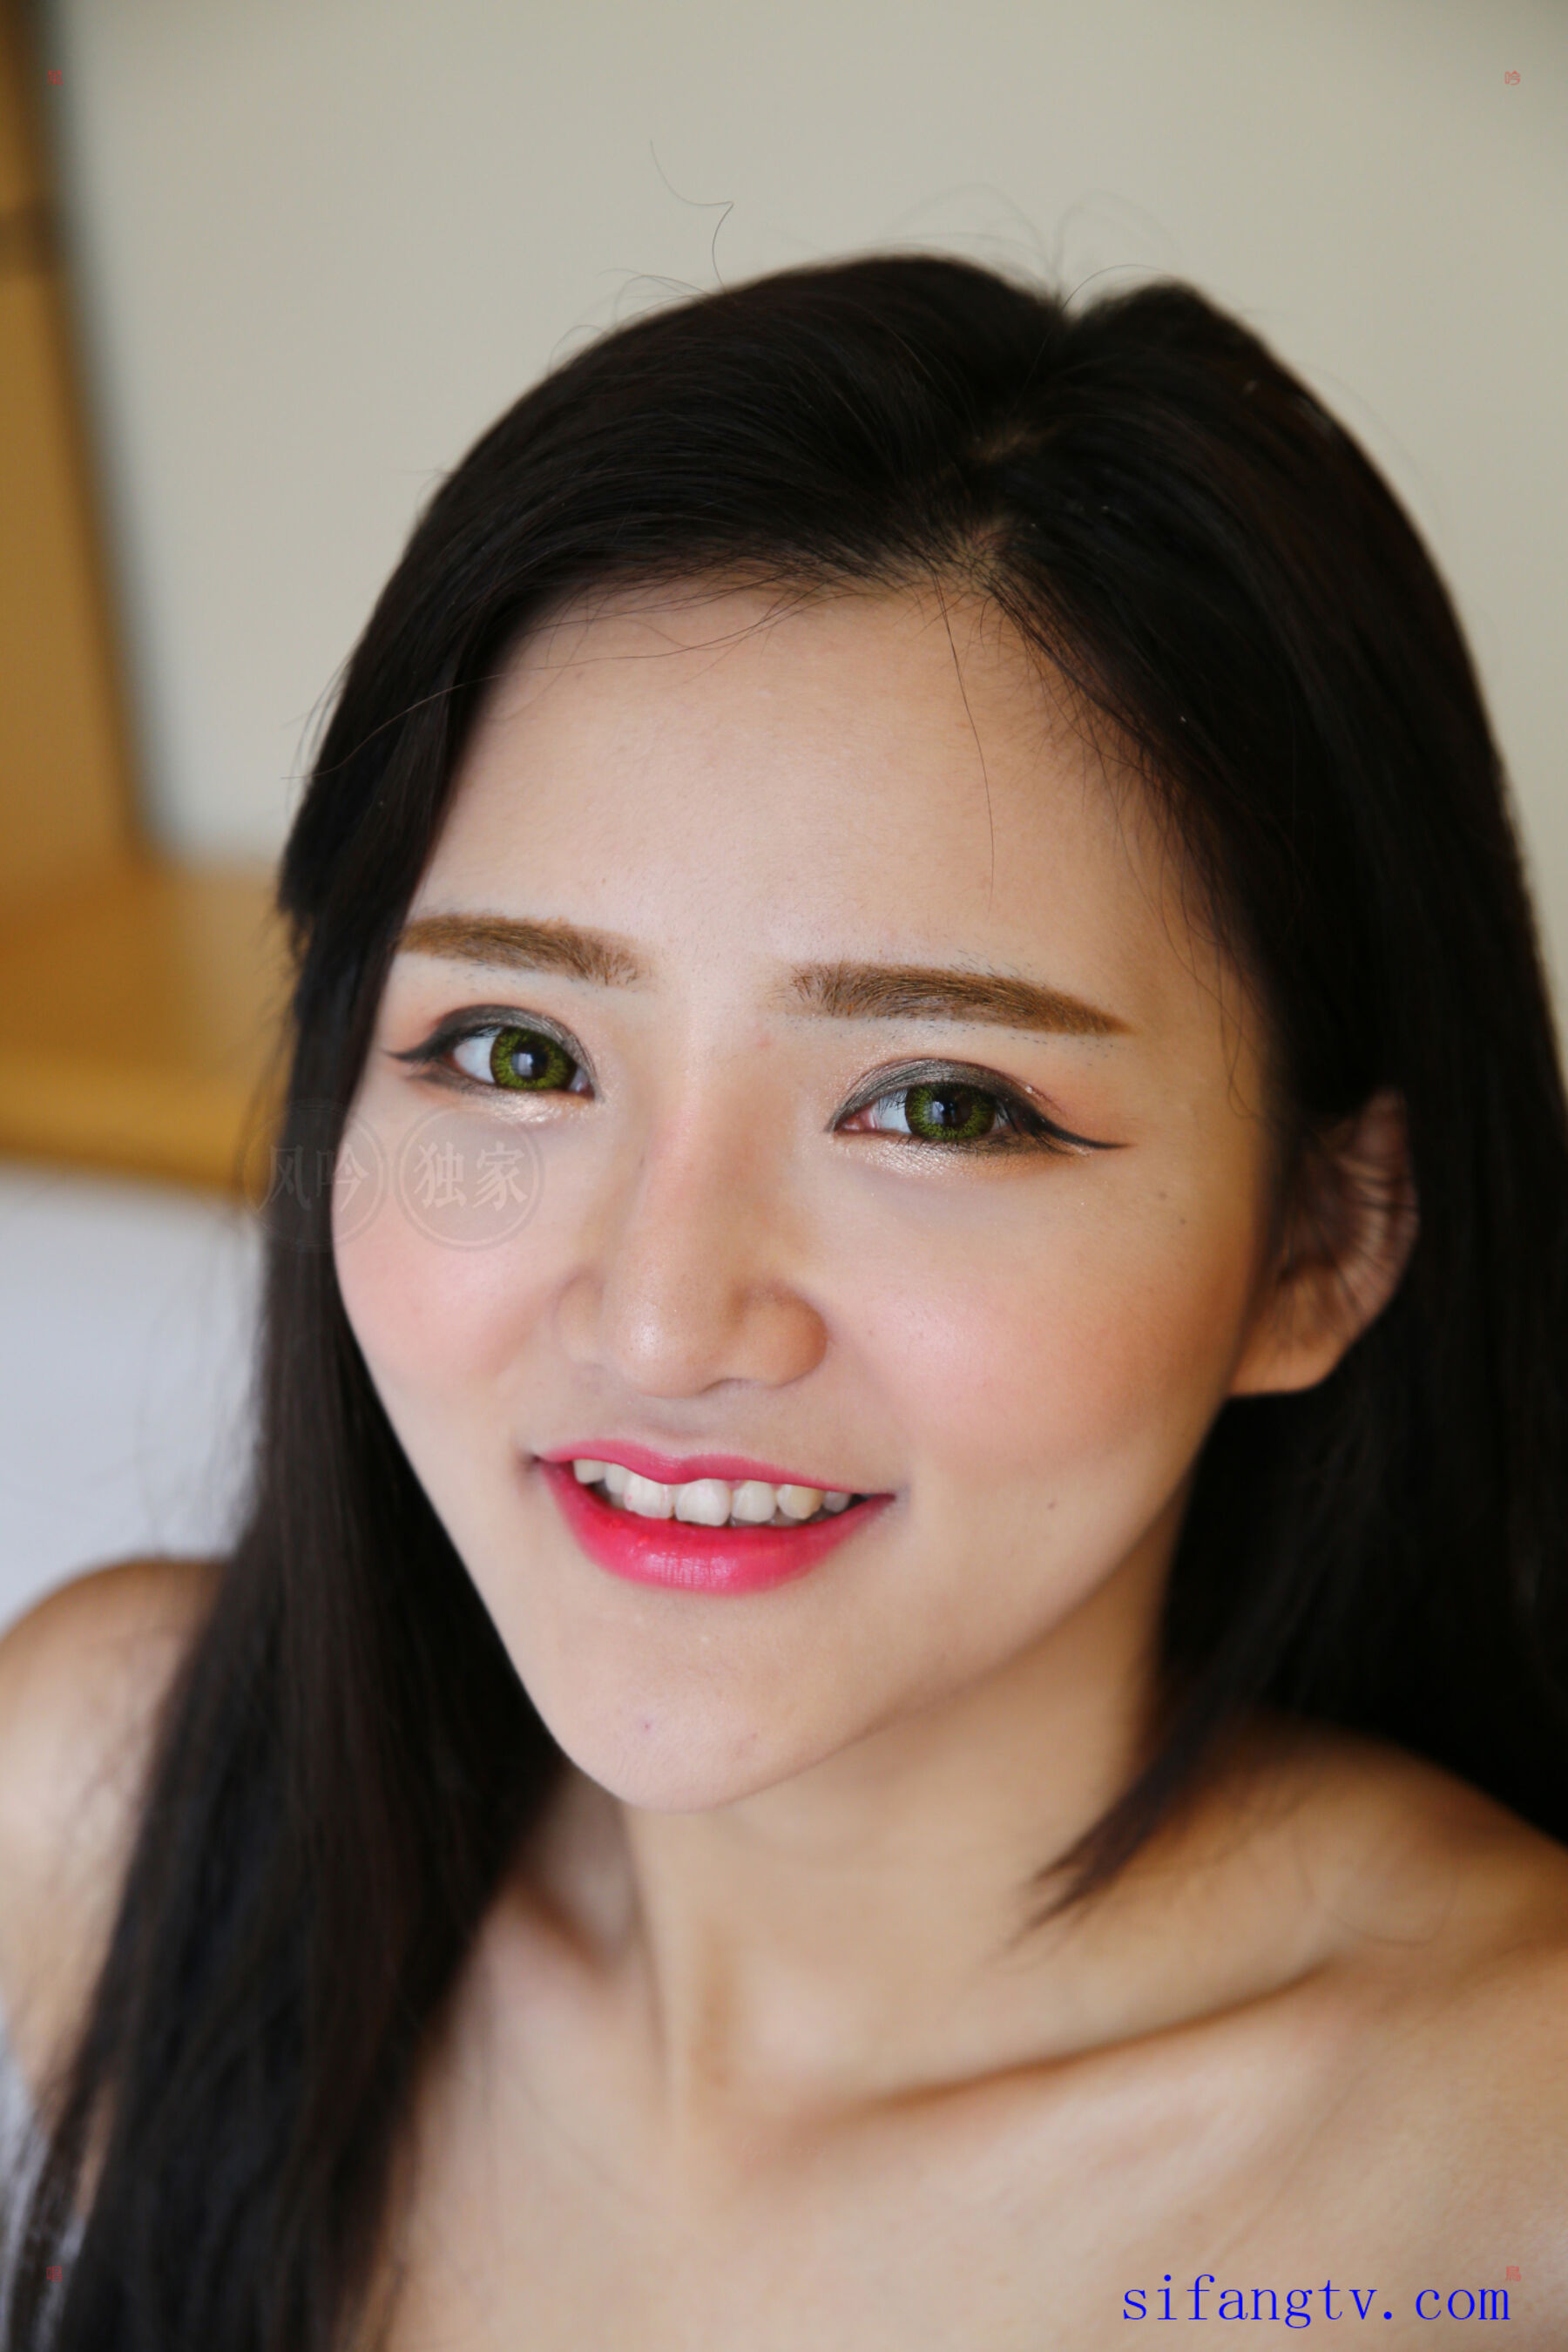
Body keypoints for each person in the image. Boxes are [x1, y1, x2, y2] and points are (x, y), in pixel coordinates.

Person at [2, 253, 1566, 2352]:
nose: (662, 1323)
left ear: (1323, 1242)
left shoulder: (1510, 2175)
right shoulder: (120, 1815)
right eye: (519, 1052)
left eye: (938, 1104)